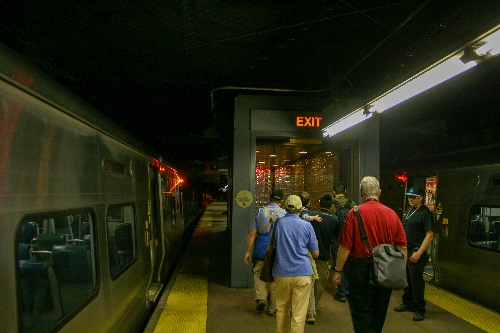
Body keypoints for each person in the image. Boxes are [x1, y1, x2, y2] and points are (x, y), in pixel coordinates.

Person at [333, 176, 407, 333]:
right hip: (386, 269)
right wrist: (399, 272)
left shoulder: (354, 214)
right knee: (379, 314)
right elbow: (402, 247)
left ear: (361, 193)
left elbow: (345, 247)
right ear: (379, 192)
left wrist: (338, 271)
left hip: (360, 270)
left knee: (361, 314)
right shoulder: (392, 215)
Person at [269, 195, 319, 333]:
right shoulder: (307, 225)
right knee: (298, 313)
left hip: (281, 272)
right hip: (303, 273)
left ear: (284, 207)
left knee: (282, 309)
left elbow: (270, 246)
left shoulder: (277, 223)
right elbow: (316, 254)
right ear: (300, 209)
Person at [394, 185, 434, 321]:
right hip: (406, 250)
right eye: (409, 197)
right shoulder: (409, 209)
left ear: (421, 198)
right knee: (407, 279)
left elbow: (429, 235)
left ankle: (419, 308)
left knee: (416, 281)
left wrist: (419, 253)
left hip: (417, 251)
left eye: (414, 197)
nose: (410, 199)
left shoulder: (425, 213)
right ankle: (408, 302)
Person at [244, 189, 286, 315]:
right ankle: (273, 308)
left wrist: (247, 251)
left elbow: (252, 234)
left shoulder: (260, 211)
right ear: (282, 201)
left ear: (270, 198)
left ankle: (260, 298)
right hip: (277, 248)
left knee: (258, 272)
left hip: (261, 246)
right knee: (275, 278)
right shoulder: (284, 213)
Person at [305, 194, 340, 325]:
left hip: (309, 254)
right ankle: (314, 306)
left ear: (319, 202)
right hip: (324, 255)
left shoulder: (311, 215)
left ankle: (308, 307)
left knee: (309, 281)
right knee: (320, 283)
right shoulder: (335, 219)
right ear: (331, 205)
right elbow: (336, 238)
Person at [330, 182, 356, 303]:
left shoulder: (332, 205)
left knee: (339, 266)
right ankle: (350, 290)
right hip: (351, 240)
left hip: (337, 239)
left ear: (334, 192)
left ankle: (341, 293)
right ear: (344, 192)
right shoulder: (352, 204)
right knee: (350, 266)